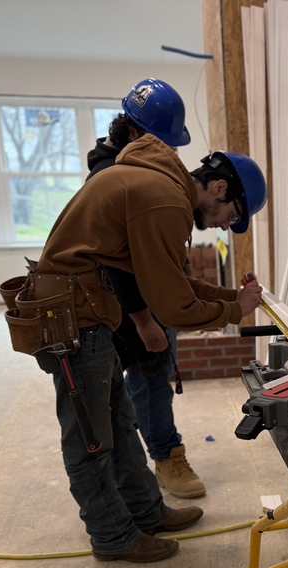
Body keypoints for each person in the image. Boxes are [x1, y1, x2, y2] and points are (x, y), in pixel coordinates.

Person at [30, 77, 267, 563]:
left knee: (117, 419)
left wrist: (232, 297)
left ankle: (144, 511)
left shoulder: (161, 186)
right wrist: (233, 312)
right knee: (92, 437)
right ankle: (112, 536)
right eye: (230, 214)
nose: (225, 225)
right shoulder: (165, 199)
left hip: (89, 310)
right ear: (219, 187)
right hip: (71, 318)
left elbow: (174, 284)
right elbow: (173, 306)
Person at [87, 84, 205, 499]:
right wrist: (144, 320)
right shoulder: (115, 176)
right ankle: (165, 456)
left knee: (138, 382)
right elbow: (118, 258)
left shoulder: (124, 168)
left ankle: (144, 463)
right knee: (150, 374)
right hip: (123, 302)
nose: (171, 155)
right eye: (165, 143)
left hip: (134, 297)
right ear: (137, 135)